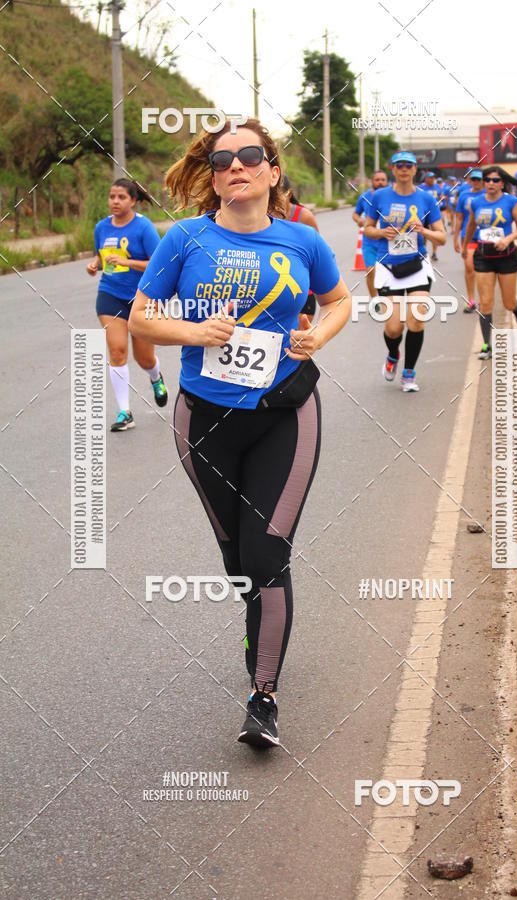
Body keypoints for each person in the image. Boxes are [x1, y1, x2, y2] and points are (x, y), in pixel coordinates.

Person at [128, 119, 351, 748]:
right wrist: (195, 333)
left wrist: (318, 336)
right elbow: (142, 318)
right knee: (237, 563)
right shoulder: (185, 240)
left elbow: (339, 301)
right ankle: (261, 623)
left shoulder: (302, 242)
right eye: (222, 158)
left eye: (250, 155)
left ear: (272, 171)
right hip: (204, 419)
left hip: (285, 413)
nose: (236, 166)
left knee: (265, 555)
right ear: (214, 175)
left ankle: (263, 696)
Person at [86, 179, 167, 431]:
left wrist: (130, 263)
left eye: (121, 197)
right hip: (110, 295)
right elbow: (101, 257)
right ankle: (125, 412)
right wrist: (94, 265)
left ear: (133, 200)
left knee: (143, 358)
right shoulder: (101, 227)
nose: (115, 202)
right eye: (112, 197)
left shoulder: (144, 228)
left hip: (141, 298)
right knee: (117, 350)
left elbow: (157, 264)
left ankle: (155, 377)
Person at [363, 150, 446, 391]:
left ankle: (409, 373)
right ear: (392, 169)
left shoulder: (427, 199)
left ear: (414, 170)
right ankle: (392, 355)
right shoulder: (379, 197)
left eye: (408, 165)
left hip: (417, 265)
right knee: (393, 327)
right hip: (388, 266)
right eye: (399, 165)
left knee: (417, 321)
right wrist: (381, 232)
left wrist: (424, 231)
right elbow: (367, 228)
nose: (403, 169)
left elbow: (441, 238)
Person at [463, 165, 517, 359]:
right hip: (484, 256)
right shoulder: (476, 202)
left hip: (507, 256)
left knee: (508, 302)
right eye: (488, 180)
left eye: (496, 180)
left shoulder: (511, 202)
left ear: (502, 183)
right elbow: (471, 225)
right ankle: (486, 345)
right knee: (485, 303)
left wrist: (508, 239)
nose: (491, 183)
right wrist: (465, 245)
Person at [281, 174, 320, 322]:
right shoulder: (262, 216)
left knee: (297, 342)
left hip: (300, 290)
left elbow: (317, 255)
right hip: (271, 290)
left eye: (276, 194)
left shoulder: (304, 217)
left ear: (289, 193)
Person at [353, 169, 389, 305]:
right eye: (377, 180)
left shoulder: (392, 197)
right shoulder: (364, 197)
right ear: (372, 182)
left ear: (387, 181)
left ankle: (386, 297)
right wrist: (359, 220)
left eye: (383, 180)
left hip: (387, 243)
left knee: (387, 273)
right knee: (370, 271)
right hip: (369, 242)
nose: (380, 182)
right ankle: (375, 301)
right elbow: (355, 213)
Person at [454, 170, 485, 312]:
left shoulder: (488, 194)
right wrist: (455, 238)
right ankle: (471, 299)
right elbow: (459, 218)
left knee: (485, 270)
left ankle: (485, 297)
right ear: (470, 180)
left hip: (486, 236)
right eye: (474, 179)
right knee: (469, 267)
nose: (476, 182)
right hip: (468, 236)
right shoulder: (464, 196)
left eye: (479, 179)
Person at [420, 171, 441, 260]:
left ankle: (434, 253)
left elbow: (441, 196)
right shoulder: (421, 187)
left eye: (433, 178)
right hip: (424, 214)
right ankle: (424, 250)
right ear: (426, 179)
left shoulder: (437, 187)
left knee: (434, 233)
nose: (432, 179)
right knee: (424, 233)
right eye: (430, 178)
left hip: (434, 214)